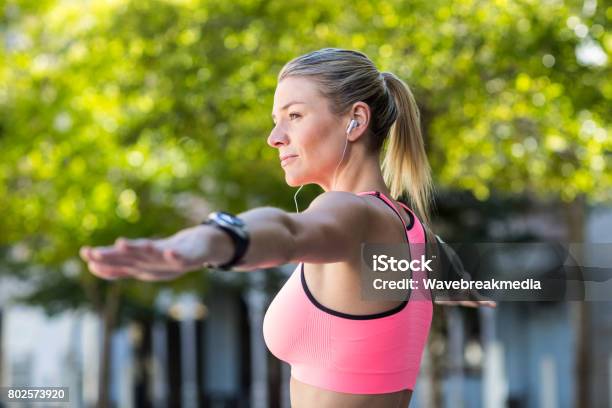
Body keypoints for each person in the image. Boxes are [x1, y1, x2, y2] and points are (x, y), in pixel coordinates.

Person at [80, 48, 495, 407]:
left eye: (294, 115)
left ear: (355, 120)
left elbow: (288, 233)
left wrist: (208, 241)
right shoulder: (410, 230)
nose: (274, 137)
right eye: (277, 119)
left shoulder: (352, 214)